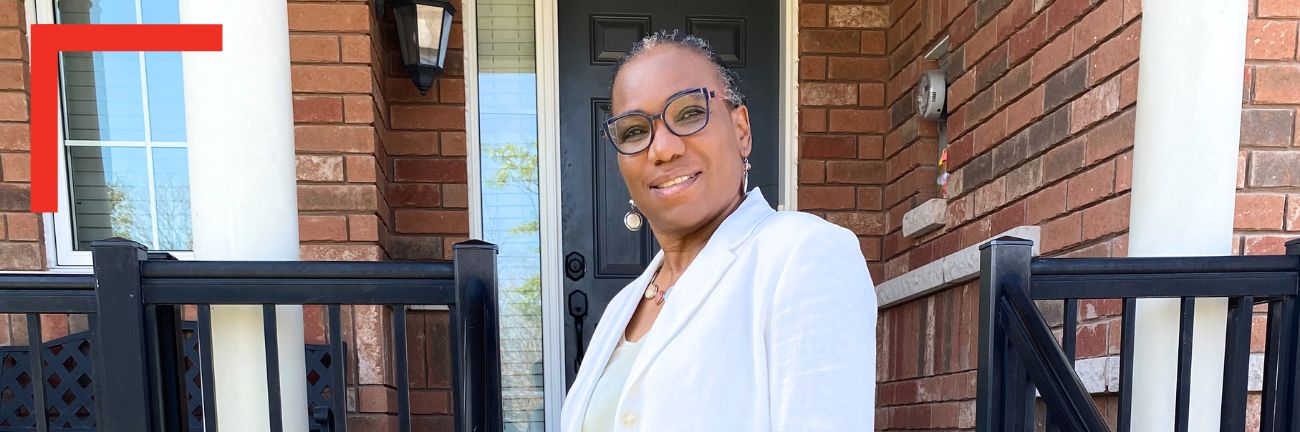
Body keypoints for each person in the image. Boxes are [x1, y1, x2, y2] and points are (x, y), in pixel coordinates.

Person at [559, 30, 877, 431]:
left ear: (741, 129)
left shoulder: (804, 256)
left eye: (689, 113)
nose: (662, 149)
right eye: (634, 131)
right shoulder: (624, 306)